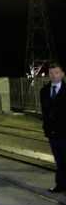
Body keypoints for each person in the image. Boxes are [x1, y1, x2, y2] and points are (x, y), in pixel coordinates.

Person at [40, 62, 66, 193]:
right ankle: (60, 185)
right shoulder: (44, 91)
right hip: (52, 133)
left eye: (56, 72)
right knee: (59, 160)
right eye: (51, 73)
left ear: (62, 74)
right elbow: (45, 112)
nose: (53, 75)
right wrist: (46, 128)